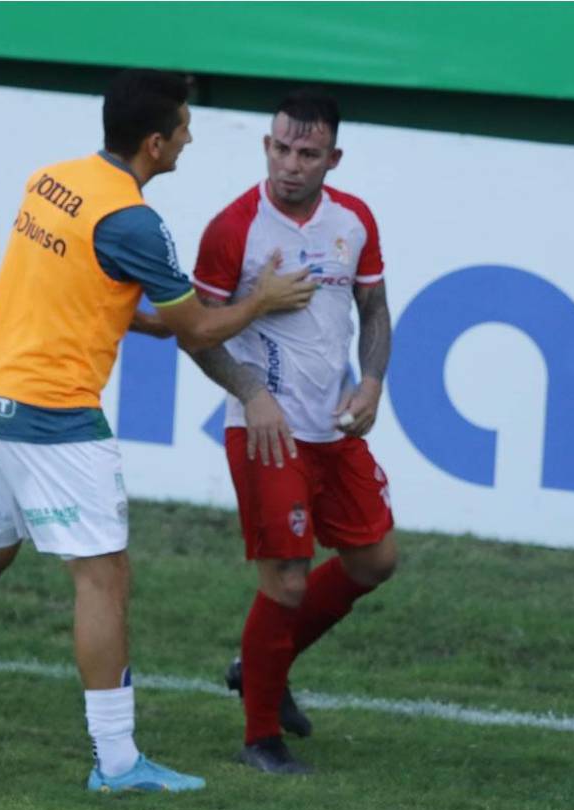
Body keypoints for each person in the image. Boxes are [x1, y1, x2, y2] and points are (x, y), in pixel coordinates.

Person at [0, 69, 315, 794]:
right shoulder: (135, 222)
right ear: (153, 142)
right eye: (182, 127)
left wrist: (142, 317)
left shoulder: (54, 179)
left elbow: (85, 287)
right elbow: (196, 327)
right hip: (51, 411)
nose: (189, 138)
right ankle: (116, 763)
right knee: (102, 576)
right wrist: (260, 300)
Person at [190, 88, 399, 774]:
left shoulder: (355, 220)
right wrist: (252, 394)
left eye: (308, 153)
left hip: (333, 428)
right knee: (285, 580)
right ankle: (259, 740)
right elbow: (196, 333)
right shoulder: (233, 229)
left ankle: (259, 667)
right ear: (265, 146)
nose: (291, 163)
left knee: (375, 562)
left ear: (332, 158)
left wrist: (371, 382)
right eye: (281, 147)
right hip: (265, 430)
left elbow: (374, 310)